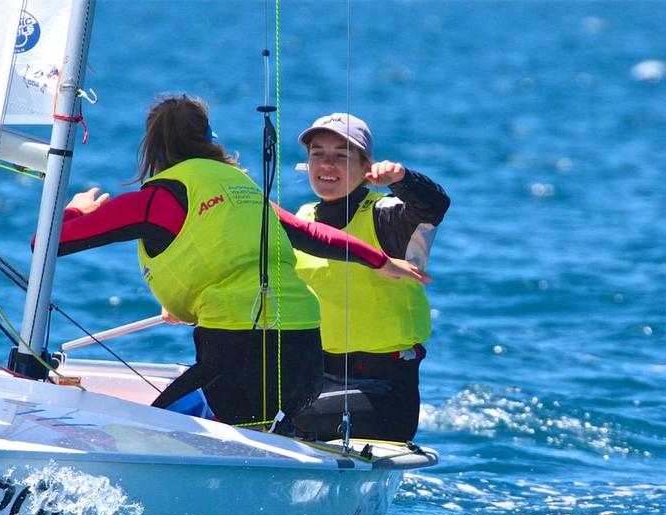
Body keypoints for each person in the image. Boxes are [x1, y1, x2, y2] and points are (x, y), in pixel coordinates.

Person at [52, 96, 429, 429]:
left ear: (151, 147)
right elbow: (311, 234)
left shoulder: (154, 200)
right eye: (319, 154)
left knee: (158, 427)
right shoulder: (242, 187)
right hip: (305, 365)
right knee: (254, 420)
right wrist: (380, 260)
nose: (326, 164)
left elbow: (49, 242)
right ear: (209, 138)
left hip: (246, 362)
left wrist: (74, 209)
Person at [289, 113, 451, 442]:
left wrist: (402, 179)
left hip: (383, 393)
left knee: (287, 416)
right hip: (318, 377)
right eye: (317, 153)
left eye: (340, 155)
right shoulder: (303, 219)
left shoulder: (387, 217)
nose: (326, 164)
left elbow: (434, 205)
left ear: (366, 168)